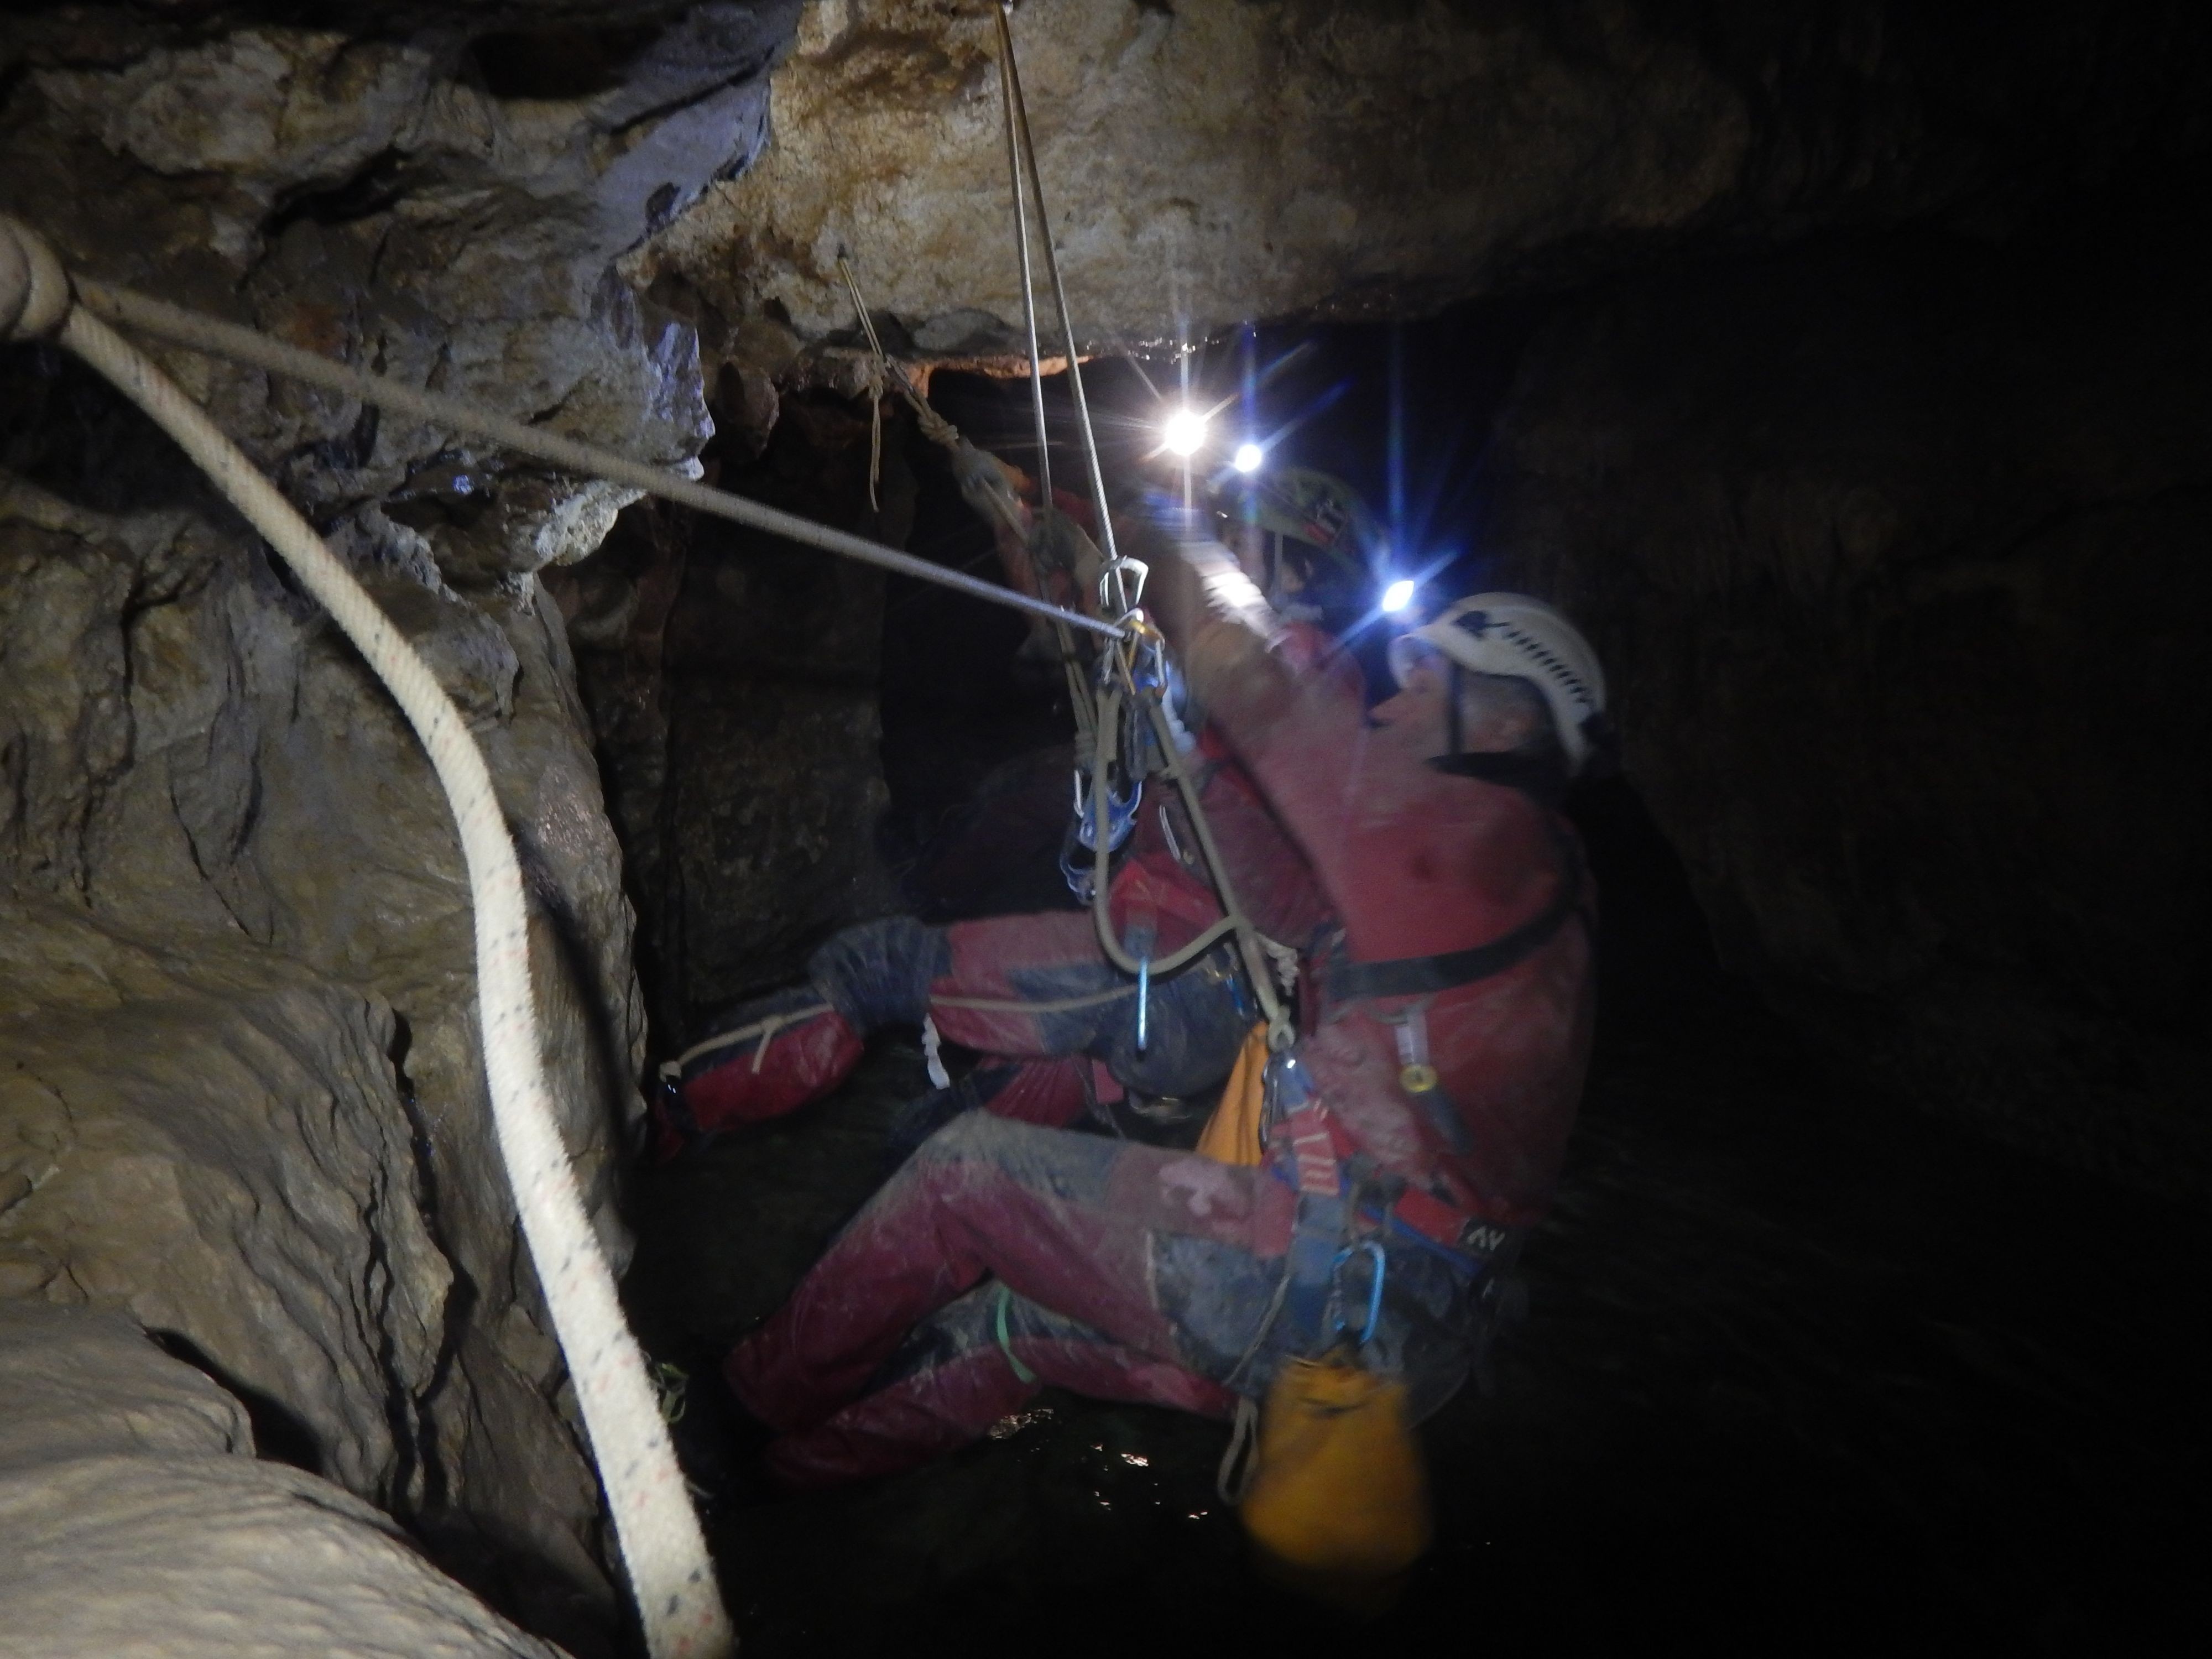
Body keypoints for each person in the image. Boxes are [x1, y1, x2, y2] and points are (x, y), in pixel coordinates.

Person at [713, 519, 1609, 1486]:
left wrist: (1167, 532)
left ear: (1512, 726)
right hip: (1395, 1322)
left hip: (1311, 1282)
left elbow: (1270, 690)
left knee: (964, 1176)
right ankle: (781, 1485)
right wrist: (1193, 746)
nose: (1396, 698)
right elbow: (1288, 909)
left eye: (1431, 681)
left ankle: (730, 1418)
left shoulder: (1481, 841)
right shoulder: (1530, 886)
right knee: (1013, 1326)